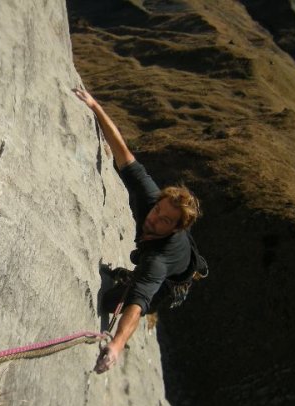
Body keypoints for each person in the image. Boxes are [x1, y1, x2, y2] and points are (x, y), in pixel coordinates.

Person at [72, 88, 204, 374]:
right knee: (129, 283)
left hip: (173, 280)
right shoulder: (154, 201)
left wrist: (116, 345)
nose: (155, 219)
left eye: (165, 221)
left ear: (175, 229)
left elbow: (138, 302)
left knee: (110, 301)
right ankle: (129, 275)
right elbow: (124, 156)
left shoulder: (159, 260)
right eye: (158, 211)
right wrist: (95, 105)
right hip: (161, 260)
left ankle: (130, 277)